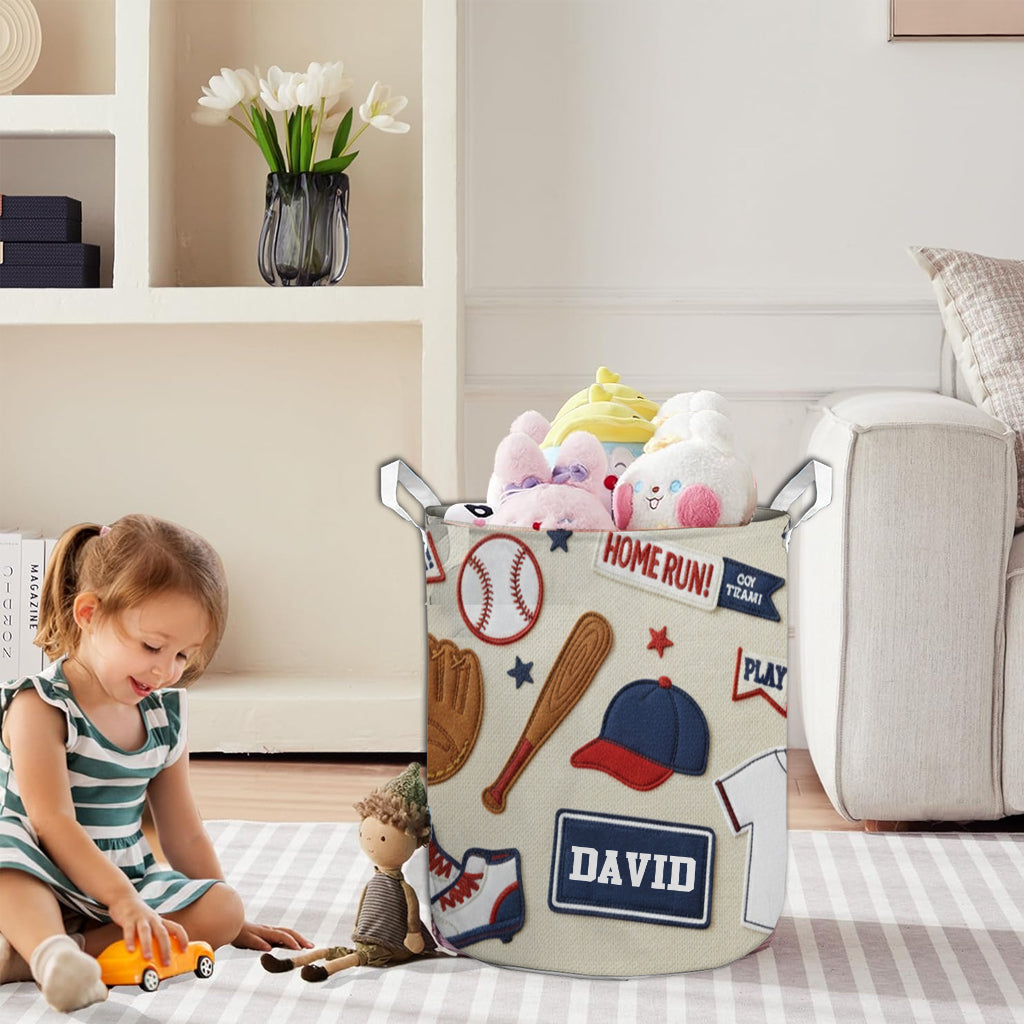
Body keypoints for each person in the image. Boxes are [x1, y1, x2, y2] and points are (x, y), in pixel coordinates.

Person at [0, 515, 312, 1011]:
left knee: (223, 908)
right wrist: (121, 899)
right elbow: (50, 823)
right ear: (88, 614)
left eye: (184, 656)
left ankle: (59, 954)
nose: (166, 671)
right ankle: (45, 947)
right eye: (152, 646)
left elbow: (183, 833)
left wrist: (231, 921)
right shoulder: (40, 706)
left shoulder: (163, 715)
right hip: (40, 867)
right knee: (7, 859)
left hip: (124, 877)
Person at [260, 763, 438, 981]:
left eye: (383, 838)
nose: (370, 841)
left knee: (357, 957)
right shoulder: (375, 882)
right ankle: (288, 963)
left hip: (391, 944)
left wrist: (414, 935)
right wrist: (357, 928)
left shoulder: (402, 888)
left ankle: (324, 971)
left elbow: (412, 914)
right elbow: (364, 903)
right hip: (366, 937)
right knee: (330, 950)